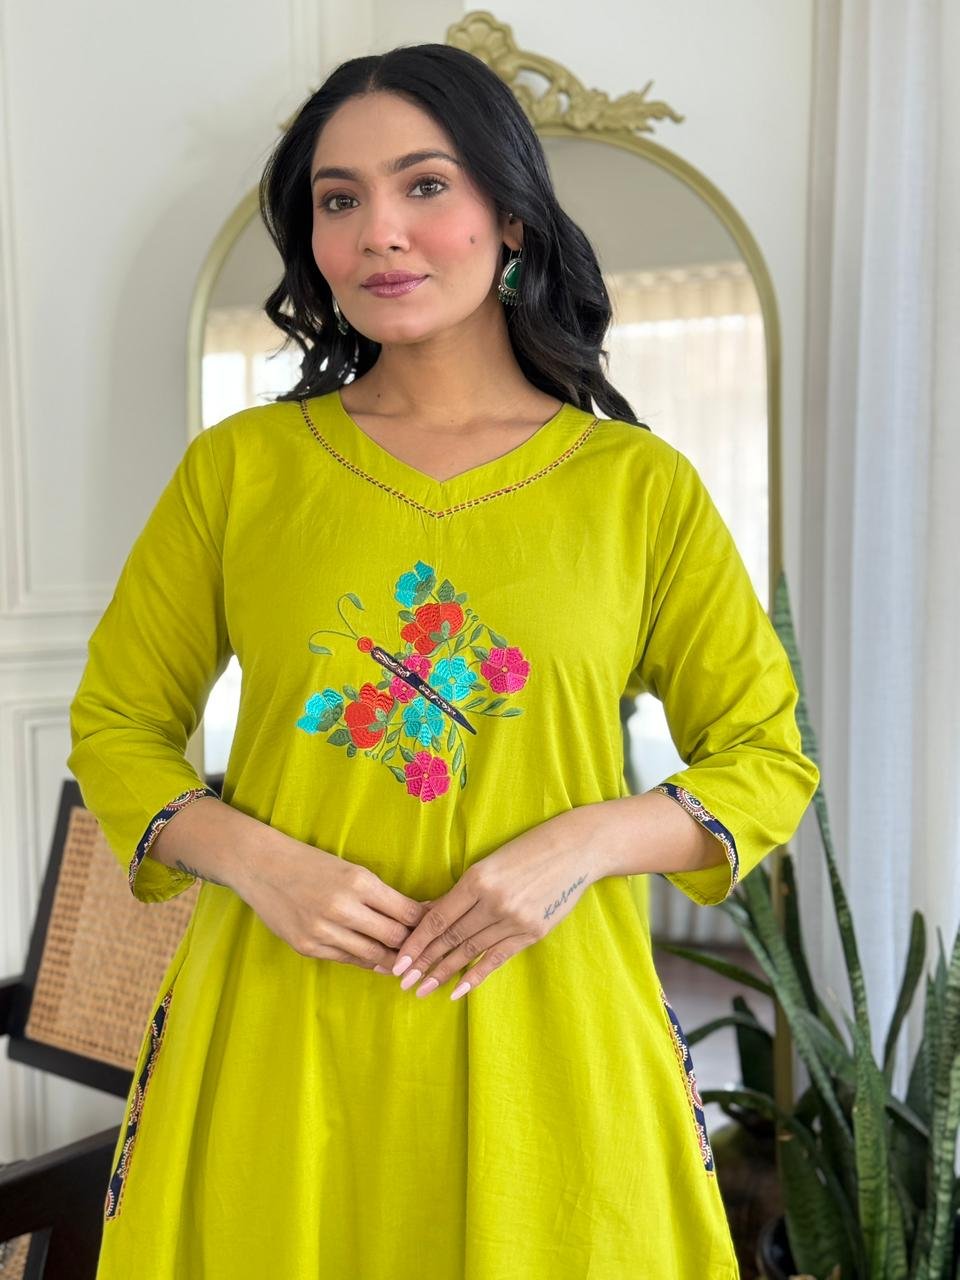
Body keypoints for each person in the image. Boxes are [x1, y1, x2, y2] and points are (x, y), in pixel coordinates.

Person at [68, 42, 818, 1280]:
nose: (380, 232)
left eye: (425, 185)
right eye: (340, 198)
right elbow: (115, 723)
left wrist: (577, 845)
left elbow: (766, 758)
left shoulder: (637, 489)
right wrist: (259, 859)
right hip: (281, 1026)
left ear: (510, 216)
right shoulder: (241, 473)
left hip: (552, 1027)